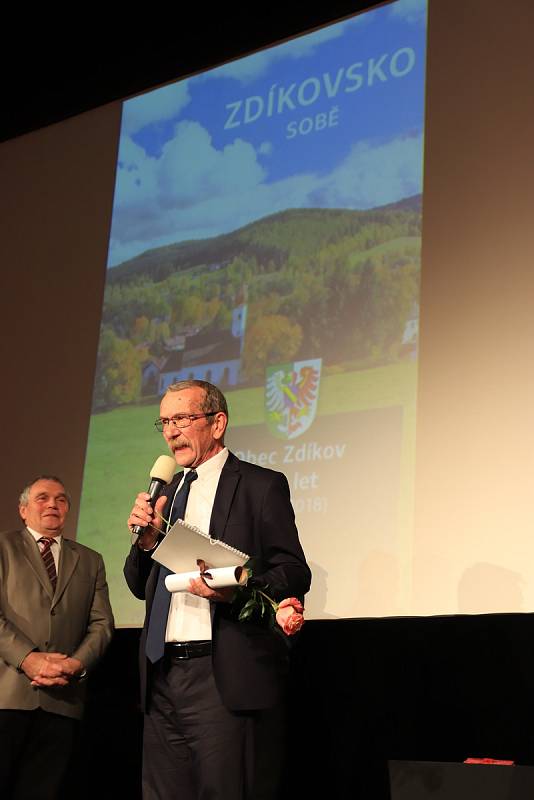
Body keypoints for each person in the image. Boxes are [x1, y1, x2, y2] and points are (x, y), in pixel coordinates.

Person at [124, 379, 311, 800]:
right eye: (164, 421)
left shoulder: (259, 486)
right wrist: (147, 541)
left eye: (182, 418)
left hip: (220, 673)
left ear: (217, 422)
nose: (171, 431)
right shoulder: (166, 494)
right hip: (161, 673)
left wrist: (238, 586)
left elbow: (293, 570)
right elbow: (138, 585)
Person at [0, 475, 114, 800]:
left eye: (61, 499)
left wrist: (76, 665)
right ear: (23, 510)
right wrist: (29, 659)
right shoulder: (3, 547)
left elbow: (102, 624)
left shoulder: (91, 560)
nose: (53, 504)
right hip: (7, 696)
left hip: (63, 701)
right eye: (42, 498)